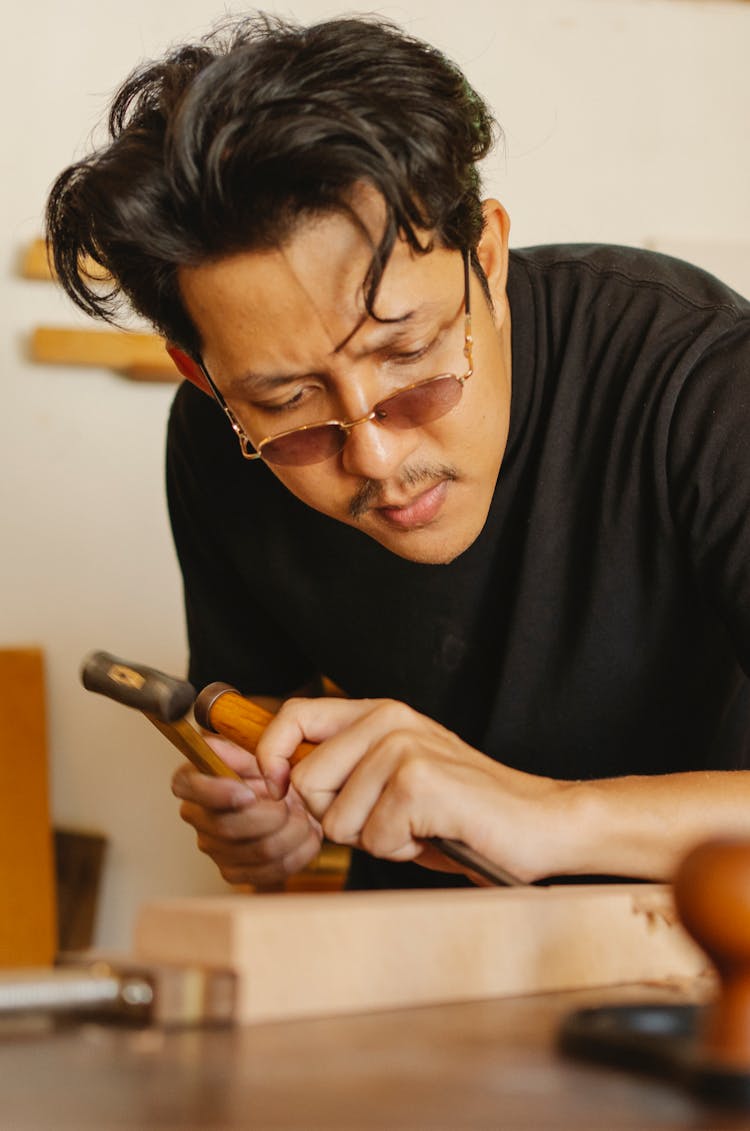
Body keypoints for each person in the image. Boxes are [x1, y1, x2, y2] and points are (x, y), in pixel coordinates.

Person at [46, 12, 750, 892]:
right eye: (288, 403)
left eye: (409, 357)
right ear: (204, 378)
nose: (374, 455)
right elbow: (256, 720)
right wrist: (269, 822)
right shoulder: (218, 442)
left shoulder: (697, 373)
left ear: (487, 259)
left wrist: (541, 814)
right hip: (417, 969)